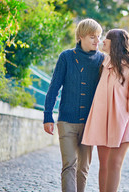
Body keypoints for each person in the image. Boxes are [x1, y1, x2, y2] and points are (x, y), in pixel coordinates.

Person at [82, 29, 129, 192]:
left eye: (107, 39)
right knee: (104, 165)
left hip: (123, 122)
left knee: (115, 163)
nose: (103, 42)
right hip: (103, 121)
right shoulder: (104, 64)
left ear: (115, 43)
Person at [43, 18, 104, 192]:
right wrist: (48, 116)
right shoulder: (66, 57)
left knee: (83, 168)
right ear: (81, 37)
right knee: (69, 164)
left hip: (90, 124)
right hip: (66, 122)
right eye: (93, 36)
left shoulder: (103, 61)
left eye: (98, 36)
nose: (97, 40)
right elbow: (54, 87)